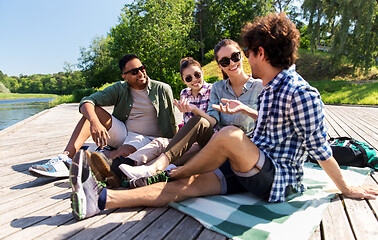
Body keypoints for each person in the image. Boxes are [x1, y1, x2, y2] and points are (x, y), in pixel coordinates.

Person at [69, 12, 378, 221]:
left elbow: (321, 149)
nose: (240, 60)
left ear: (258, 53)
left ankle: (166, 170)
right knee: (186, 186)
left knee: (229, 136)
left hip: (278, 180)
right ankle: (100, 201)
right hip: (248, 165)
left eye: (245, 53)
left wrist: (346, 188)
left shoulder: (301, 92)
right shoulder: (270, 88)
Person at [91, 39, 263, 185]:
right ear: (220, 66)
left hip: (242, 147)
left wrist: (244, 109)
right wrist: (193, 112)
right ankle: (121, 168)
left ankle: (138, 170)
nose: (232, 63)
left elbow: (269, 121)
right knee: (163, 143)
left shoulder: (259, 85)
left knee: (180, 147)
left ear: (242, 55)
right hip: (212, 140)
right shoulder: (218, 88)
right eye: (225, 61)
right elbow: (212, 121)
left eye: (235, 57)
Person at [28, 54, 177, 179]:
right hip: (124, 132)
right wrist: (95, 123)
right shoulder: (120, 88)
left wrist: (176, 146)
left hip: (149, 139)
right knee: (92, 112)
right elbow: (86, 101)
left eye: (142, 68)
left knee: (125, 154)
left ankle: (89, 158)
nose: (140, 73)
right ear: (125, 76)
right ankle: (66, 158)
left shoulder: (162, 89)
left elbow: (171, 121)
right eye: (134, 72)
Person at [88, 57, 213, 184]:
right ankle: (121, 166)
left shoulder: (212, 90)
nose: (194, 79)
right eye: (188, 78)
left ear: (202, 72)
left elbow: (213, 122)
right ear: (183, 80)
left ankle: (129, 172)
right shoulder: (185, 93)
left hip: (207, 140)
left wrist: (195, 110)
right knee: (159, 143)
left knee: (170, 155)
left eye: (197, 74)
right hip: (187, 139)